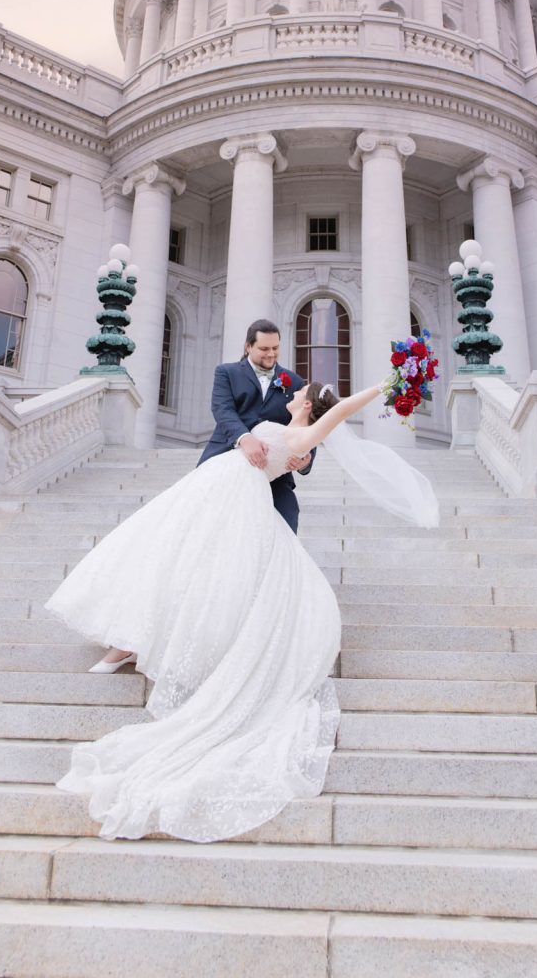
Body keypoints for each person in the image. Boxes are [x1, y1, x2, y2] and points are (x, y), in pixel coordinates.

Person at [43, 378, 390, 843]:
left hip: (237, 504)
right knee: (165, 559)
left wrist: (387, 384)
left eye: (300, 391)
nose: (291, 391)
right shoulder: (290, 429)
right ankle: (128, 639)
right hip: (213, 493)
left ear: (306, 403)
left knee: (200, 576)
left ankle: (137, 644)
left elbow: (341, 409)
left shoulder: (303, 436)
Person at [197, 318, 313, 532]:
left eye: (276, 348)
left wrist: (306, 458)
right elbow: (222, 410)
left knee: (287, 519)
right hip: (225, 457)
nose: (271, 354)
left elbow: (305, 422)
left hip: (274, 474)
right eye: (264, 348)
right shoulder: (226, 372)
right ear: (248, 346)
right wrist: (245, 438)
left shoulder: (295, 382)